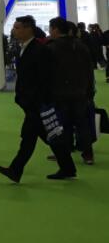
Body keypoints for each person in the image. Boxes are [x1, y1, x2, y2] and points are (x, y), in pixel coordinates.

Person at [0, 15, 77, 183]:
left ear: (28, 29)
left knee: (29, 137)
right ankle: (67, 167)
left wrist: (34, 100)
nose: (14, 30)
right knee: (48, 136)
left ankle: (16, 170)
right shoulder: (26, 48)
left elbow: (44, 78)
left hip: (37, 103)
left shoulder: (39, 50)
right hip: (32, 103)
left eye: (17, 27)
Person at [46, 17, 95, 166]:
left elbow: (48, 73)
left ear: (55, 29)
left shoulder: (52, 48)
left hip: (60, 92)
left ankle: (64, 152)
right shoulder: (81, 46)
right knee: (82, 123)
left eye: (50, 28)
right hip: (80, 91)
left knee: (63, 124)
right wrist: (89, 89)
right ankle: (88, 154)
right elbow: (89, 70)